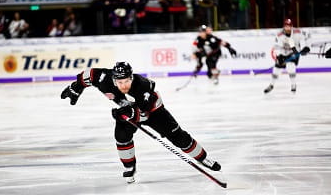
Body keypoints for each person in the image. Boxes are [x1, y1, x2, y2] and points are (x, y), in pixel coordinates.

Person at [61, 62, 221, 183]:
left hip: (153, 111)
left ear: (131, 78)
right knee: (121, 135)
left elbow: (143, 115)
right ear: (113, 79)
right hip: (128, 110)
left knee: (178, 137)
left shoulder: (142, 86)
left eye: (127, 81)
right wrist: (75, 88)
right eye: (120, 82)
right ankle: (129, 167)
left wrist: (125, 113)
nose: (123, 86)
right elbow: (87, 75)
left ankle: (202, 157)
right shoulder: (104, 79)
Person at [264, 19, 310, 94]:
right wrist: (279, 56)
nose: (287, 28)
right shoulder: (279, 34)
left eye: (289, 26)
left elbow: (304, 40)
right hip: (283, 54)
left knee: (290, 66)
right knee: (276, 70)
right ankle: (271, 85)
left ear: (292, 26)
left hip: (294, 53)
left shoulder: (298, 32)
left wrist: (305, 47)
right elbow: (277, 46)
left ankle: (293, 85)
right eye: (286, 26)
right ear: (284, 27)